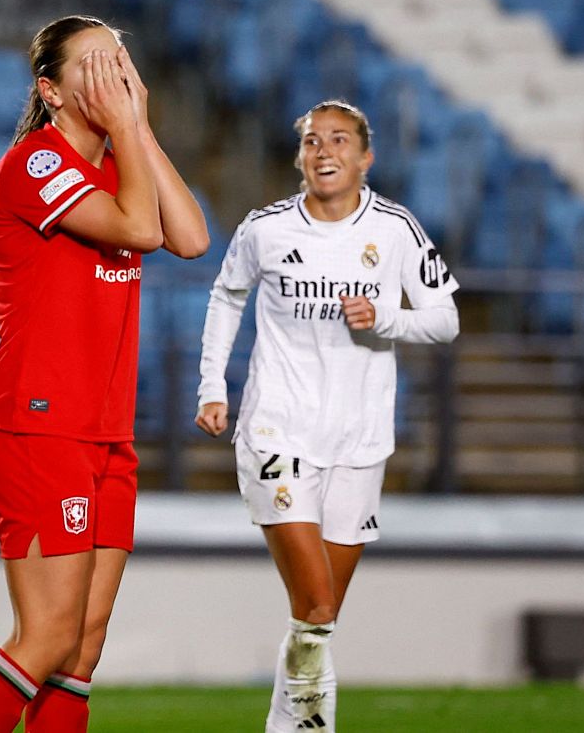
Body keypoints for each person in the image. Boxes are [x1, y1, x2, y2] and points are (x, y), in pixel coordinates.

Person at [0, 18, 209, 732]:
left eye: (118, 62)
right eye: (92, 66)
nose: (111, 76)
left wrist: (138, 127)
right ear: (51, 91)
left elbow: (191, 237)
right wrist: (125, 127)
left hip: (103, 432)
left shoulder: (123, 163)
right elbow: (142, 231)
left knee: (81, 652)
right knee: (47, 636)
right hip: (38, 425)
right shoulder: (36, 163)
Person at [195, 100, 459, 732]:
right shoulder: (266, 229)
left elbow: (445, 319)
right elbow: (227, 296)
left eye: (339, 140)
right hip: (277, 429)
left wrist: (385, 318)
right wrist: (212, 386)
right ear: (300, 158)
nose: (324, 151)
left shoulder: (395, 229)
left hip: (359, 440)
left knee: (318, 619)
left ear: (365, 158)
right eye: (312, 141)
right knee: (314, 604)